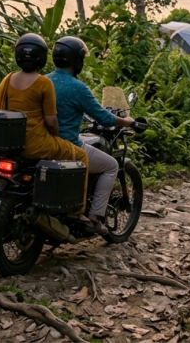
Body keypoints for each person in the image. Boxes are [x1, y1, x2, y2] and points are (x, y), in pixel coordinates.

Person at [0, 34, 95, 225]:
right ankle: (77, 211)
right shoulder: (43, 83)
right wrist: (55, 137)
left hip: (8, 144)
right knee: (81, 156)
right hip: (36, 144)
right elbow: (51, 122)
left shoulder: (7, 79)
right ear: (42, 57)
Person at [47, 36, 135, 234]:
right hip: (68, 145)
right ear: (76, 60)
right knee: (111, 166)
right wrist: (127, 121)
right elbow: (104, 117)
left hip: (44, 143)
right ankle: (94, 218)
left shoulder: (43, 81)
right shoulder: (78, 88)